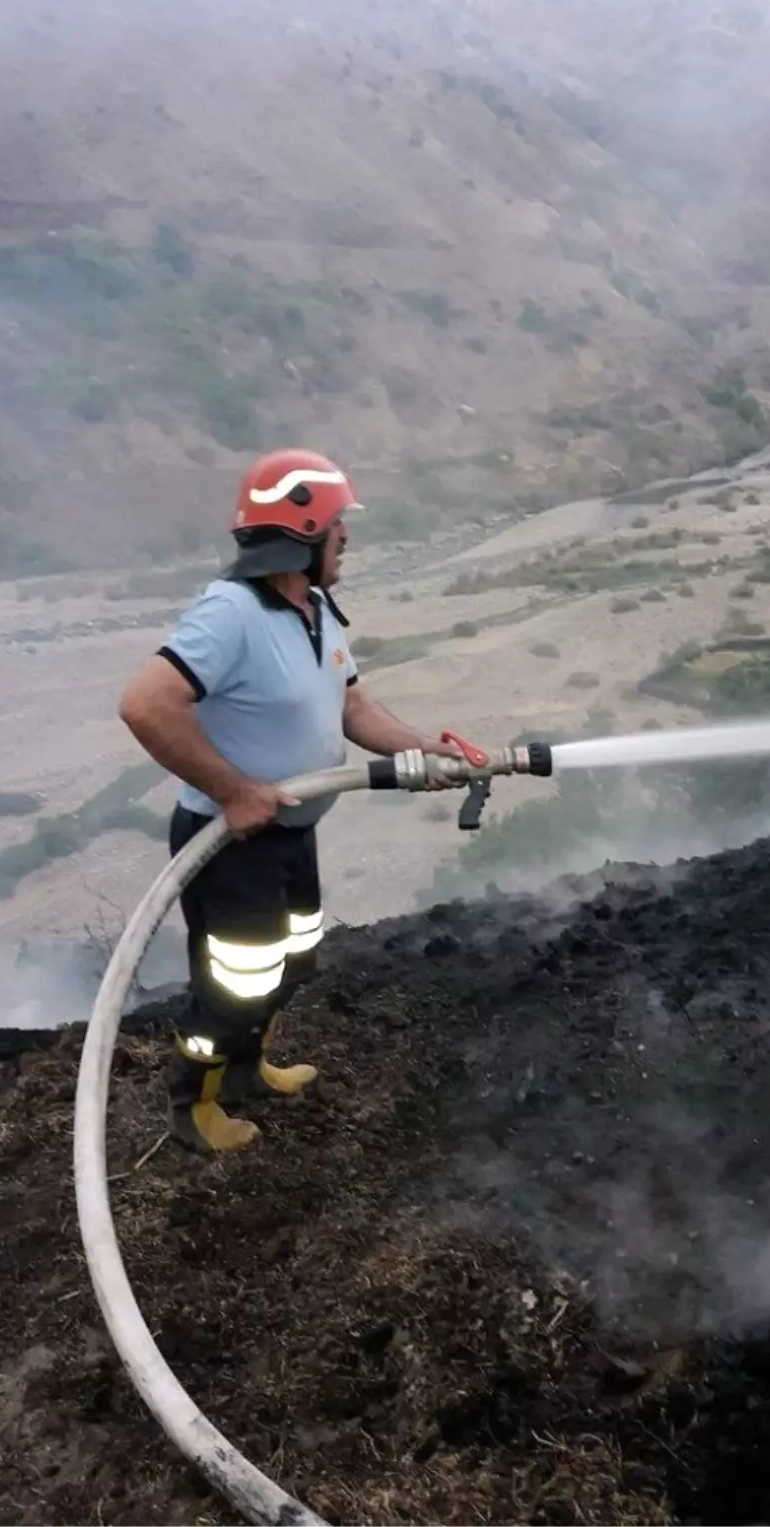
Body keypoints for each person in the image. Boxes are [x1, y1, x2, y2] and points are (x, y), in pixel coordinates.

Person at [118, 447, 470, 1153]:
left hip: (290, 831)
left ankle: (246, 1072)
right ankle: (194, 1109)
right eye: (340, 529)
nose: (349, 541)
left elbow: (353, 707)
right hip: (232, 844)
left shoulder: (314, 607)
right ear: (304, 535)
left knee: (293, 959)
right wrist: (231, 790)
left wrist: (422, 749)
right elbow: (145, 705)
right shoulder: (230, 613)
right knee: (234, 983)